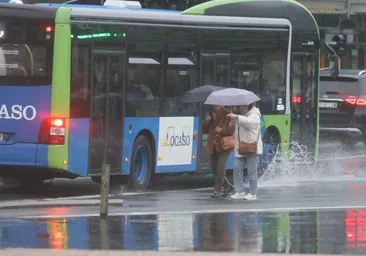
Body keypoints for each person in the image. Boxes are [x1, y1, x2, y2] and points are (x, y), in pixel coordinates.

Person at [227, 103, 262, 200]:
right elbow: (237, 132)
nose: (239, 109)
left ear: (246, 107)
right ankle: (239, 191)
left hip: (252, 148)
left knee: (251, 171)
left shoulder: (255, 115)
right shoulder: (243, 116)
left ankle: (253, 193)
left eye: (240, 107)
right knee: (236, 168)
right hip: (241, 147)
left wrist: (236, 117)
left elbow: (249, 123)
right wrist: (233, 125)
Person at [203, 105, 235, 198]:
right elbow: (204, 131)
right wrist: (207, 121)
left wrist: (222, 130)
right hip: (213, 145)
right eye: (213, 103)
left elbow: (232, 130)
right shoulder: (209, 114)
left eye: (216, 103)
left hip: (224, 145)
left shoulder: (228, 114)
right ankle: (228, 186)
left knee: (221, 167)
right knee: (214, 169)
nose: (214, 105)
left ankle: (217, 191)